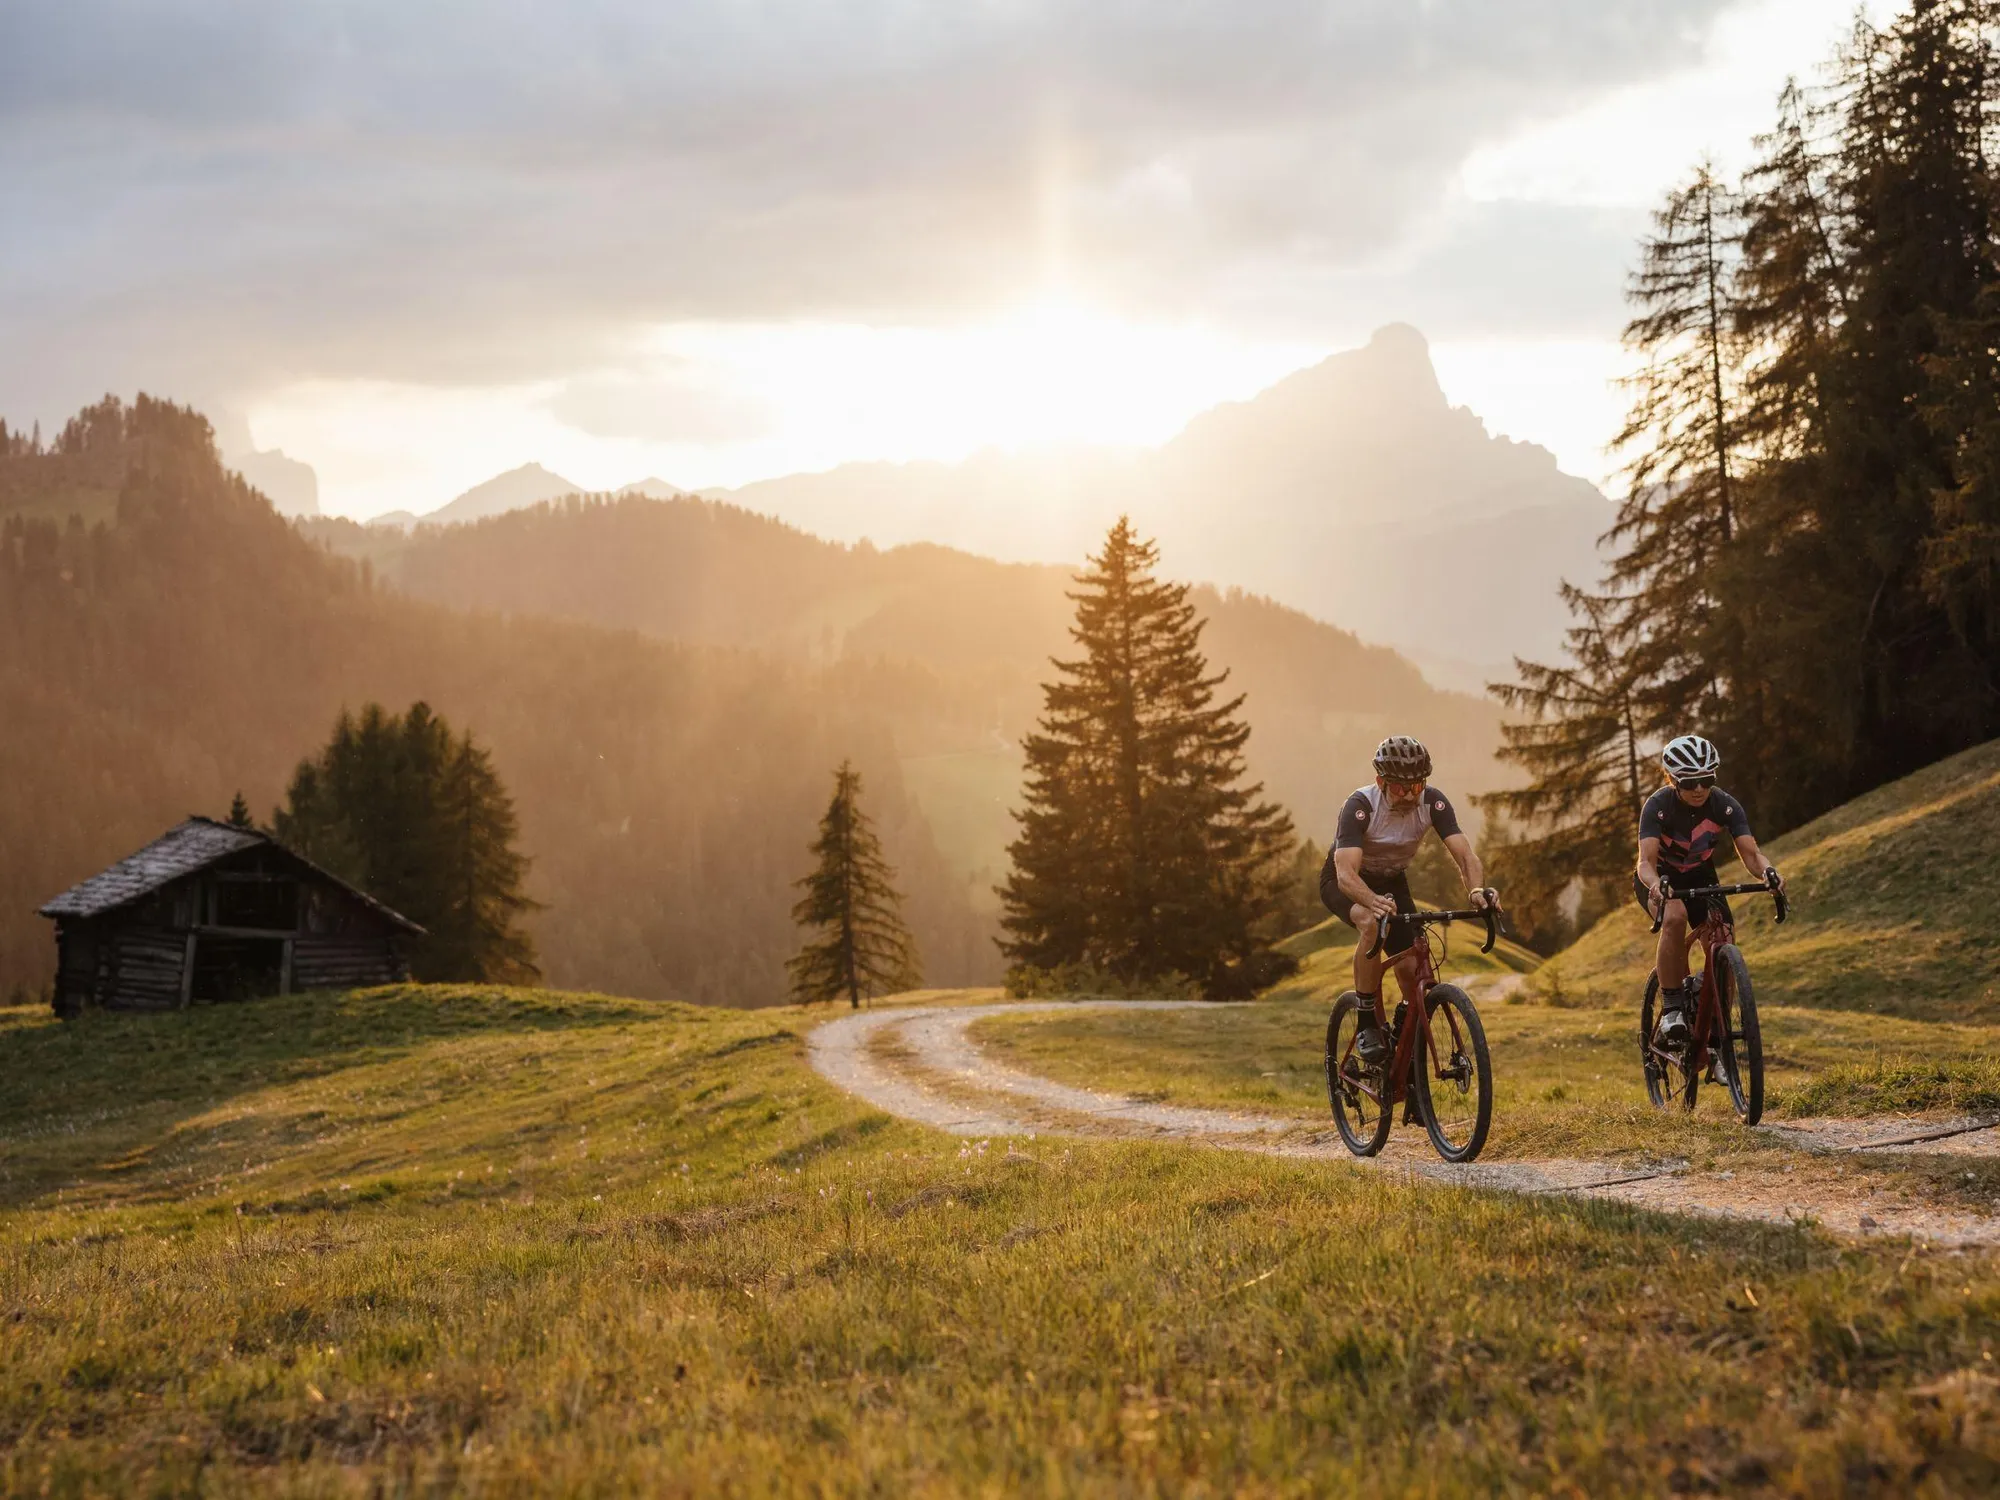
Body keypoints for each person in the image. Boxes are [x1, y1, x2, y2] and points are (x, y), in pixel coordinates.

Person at [1319, 736, 1497, 1069]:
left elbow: (1465, 855)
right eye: (1400, 788)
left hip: (1392, 881)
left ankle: (1405, 1032)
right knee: (1371, 924)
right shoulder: (1360, 806)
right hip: (1346, 882)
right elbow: (1345, 874)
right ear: (1381, 782)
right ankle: (1367, 1021)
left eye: (1416, 785)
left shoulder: (1433, 803)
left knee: (1411, 963)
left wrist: (1476, 891)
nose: (1409, 794)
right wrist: (1371, 901)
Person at [1635, 734, 1784, 1049]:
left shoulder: (1724, 805)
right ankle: (1673, 1008)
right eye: (1690, 782)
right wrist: (1655, 886)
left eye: (1706, 779)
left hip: (1700, 875)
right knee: (1674, 917)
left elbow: (1753, 855)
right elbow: (1645, 862)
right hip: (1660, 878)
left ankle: (1712, 1018)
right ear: (1673, 780)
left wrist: (1770, 873)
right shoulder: (1658, 806)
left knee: (1723, 938)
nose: (1700, 788)